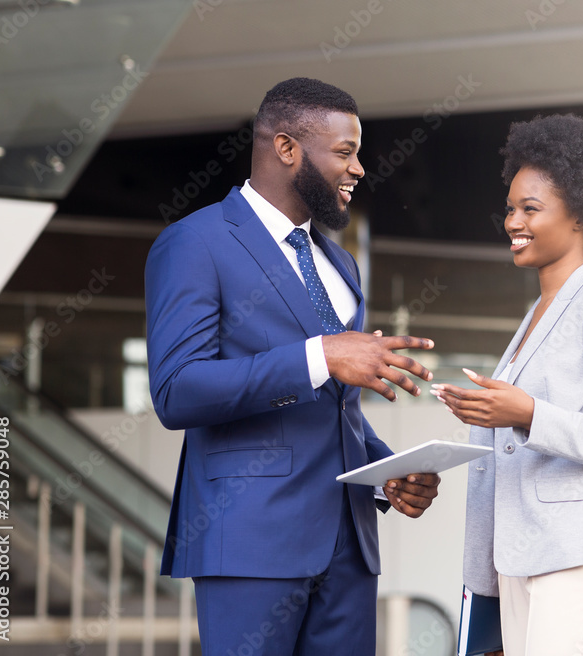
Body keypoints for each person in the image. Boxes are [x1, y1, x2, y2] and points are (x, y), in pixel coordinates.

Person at [145, 78, 441, 656]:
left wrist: (386, 473)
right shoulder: (195, 243)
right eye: (345, 152)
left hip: (350, 547)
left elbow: (335, 409)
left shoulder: (341, 264)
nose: (358, 168)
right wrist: (321, 354)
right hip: (251, 539)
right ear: (287, 148)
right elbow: (177, 391)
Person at [431, 114, 583, 656]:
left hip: (576, 553)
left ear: (580, 214)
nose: (513, 222)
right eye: (510, 208)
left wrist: (528, 412)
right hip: (518, 557)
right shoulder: (536, 315)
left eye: (531, 209)